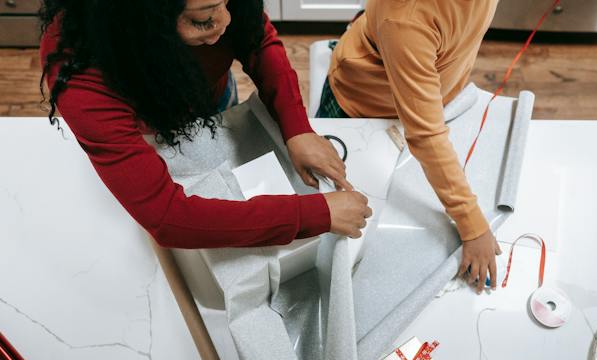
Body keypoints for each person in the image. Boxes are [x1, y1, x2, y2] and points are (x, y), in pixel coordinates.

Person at [38, 0, 372, 249]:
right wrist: (312, 214)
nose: (226, 21)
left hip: (210, 99)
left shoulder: (220, 12)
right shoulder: (80, 74)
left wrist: (296, 127)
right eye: (204, 19)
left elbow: (257, 39)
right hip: (149, 131)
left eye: (228, 3)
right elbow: (167, 216)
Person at [317, 0, 502, 293]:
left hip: (422, 93)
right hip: (361, 107)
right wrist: (473, 227)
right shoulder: (406, 17)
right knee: (336, 218)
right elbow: (426, 135)